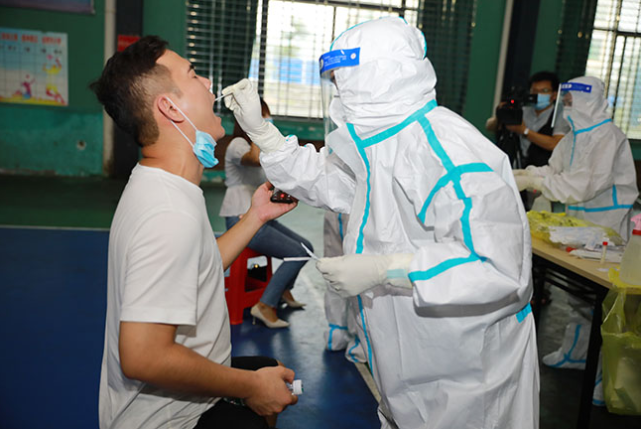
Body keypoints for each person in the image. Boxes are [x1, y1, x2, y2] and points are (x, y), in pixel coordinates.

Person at [224, 17, 539, 429]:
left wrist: (384, 269)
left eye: (344, 81)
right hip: (407, 354)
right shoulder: (382, 144)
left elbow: (498, 267)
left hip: (468, 373)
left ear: (376, 78)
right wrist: (263, 134)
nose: (338, 94)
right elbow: (327, 179)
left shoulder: (450, 153)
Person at [91, 36, 298, 429]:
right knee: (265, 393)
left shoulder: (165, 184)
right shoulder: (168, 214)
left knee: (271, 368)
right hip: (173, 420)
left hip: (177, 402)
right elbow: (144, 356)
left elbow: (197, 267)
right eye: (193, 75)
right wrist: (249, 387)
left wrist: (255, 216)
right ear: (169, 107)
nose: (207, 84)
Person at [514, 76, 638, 372]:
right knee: (576, 294)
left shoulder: (608, 136)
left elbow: (583, 185)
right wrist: (527, 173)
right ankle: (576, 353)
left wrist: (537, 182)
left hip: (608, 224)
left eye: (571, 102)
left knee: (605, 303)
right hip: (580, 224)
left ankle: (604, 372)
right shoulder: (573, 136)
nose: (567, 107)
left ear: (589, 101)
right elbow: (554, 170)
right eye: (565, 102)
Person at [220, 99, 312, 328]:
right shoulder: (238, 145)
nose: (267, 122)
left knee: (306, 248)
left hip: (259, 217)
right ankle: (264, 305)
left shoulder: (259, 148)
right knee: (297, 254)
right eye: (263, 117)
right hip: (240, 218)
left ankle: (283, 291)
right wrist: (256, 130)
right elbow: (252, 159)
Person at [322, 210, 365, 363]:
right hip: (355, 207)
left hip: (333, 207)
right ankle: (360, 341)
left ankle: (337, 333)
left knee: (334, 267)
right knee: (356, 272)